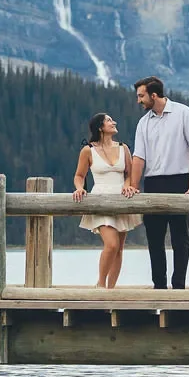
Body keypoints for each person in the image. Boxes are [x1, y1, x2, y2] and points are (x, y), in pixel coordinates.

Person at [128, 75, 189, 289]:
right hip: (153, 183)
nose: (138, 101)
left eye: (141, 96)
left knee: (180, 237)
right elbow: (138, 157)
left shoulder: (184, 113)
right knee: (154, 238)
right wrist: (134, 185)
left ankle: (179, 285)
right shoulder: (143, 123)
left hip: (180, 181)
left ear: (154, 95)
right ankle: (159, 286)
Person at [72, 112, 141, 289]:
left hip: (122, 198)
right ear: (100, 127)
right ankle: (101, 285)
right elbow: (79, 176)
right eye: (109, 120)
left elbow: (129, 174)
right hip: (100, 198)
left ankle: (111, 289)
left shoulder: (123, 148)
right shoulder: (88, 150)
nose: (114, 122)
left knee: (119, 249)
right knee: (111, 244)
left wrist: (128, 185)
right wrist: (80, 188)